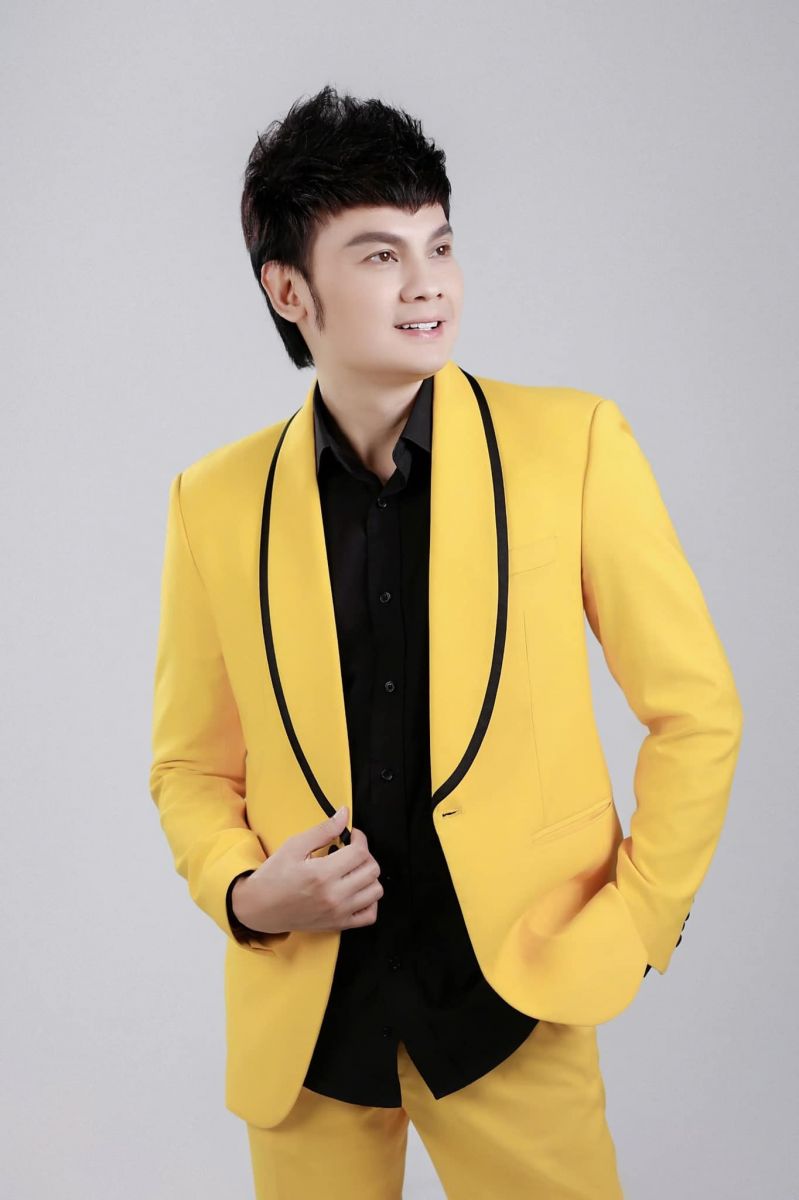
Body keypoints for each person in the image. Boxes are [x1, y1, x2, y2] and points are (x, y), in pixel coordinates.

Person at [148, 85, 743, 1198]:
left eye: (440, 243)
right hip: (310, 1029)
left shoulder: (571, 445)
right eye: (380, 254)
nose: (428, 282)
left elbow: (697, 713)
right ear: (290, 291)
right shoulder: (212, 502)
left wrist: (636, 918)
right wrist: (244, 895)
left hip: (512, 1000)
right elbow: (189, 764)